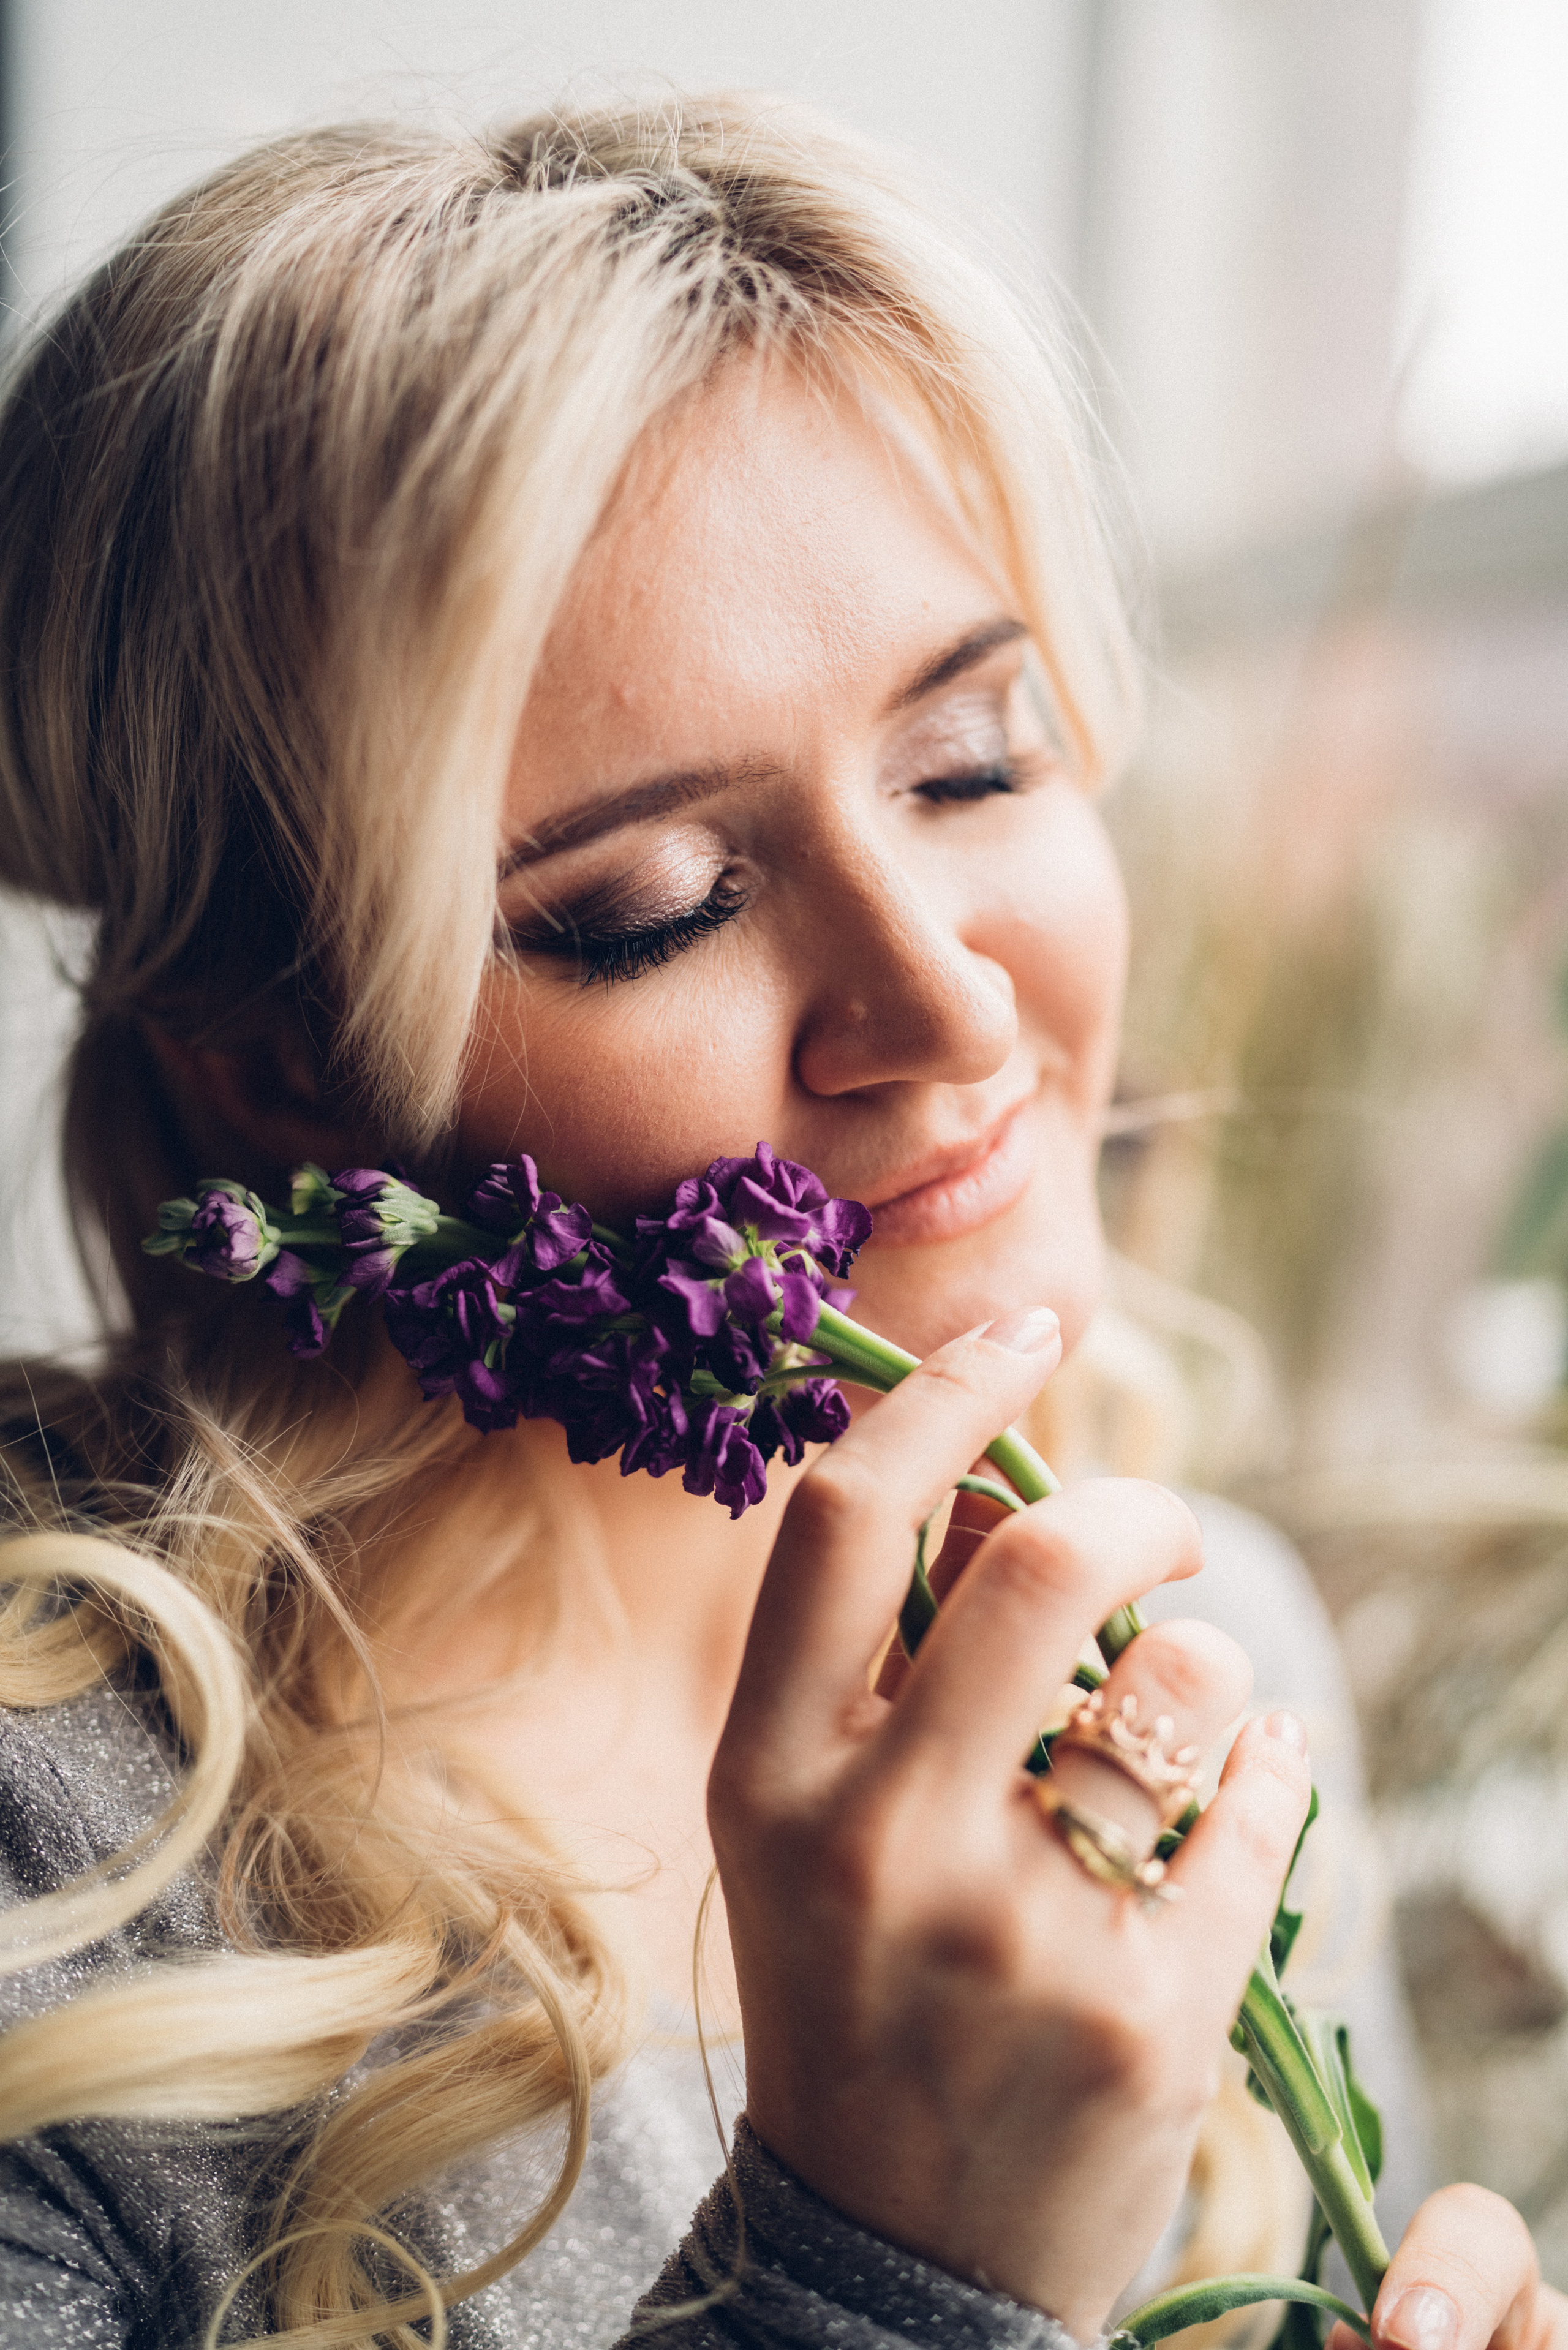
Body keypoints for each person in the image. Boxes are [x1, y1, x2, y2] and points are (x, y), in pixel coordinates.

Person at [0, 92, 1556, 2350]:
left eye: (974, 760)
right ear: (273, 1058)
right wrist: (882, 2261)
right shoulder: (57, 1873)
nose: (951, 1004)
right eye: (652, 904)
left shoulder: (1188, 1658)